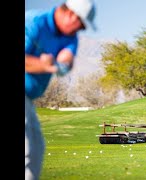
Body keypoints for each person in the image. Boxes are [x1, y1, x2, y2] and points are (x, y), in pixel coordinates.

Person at [25, 0, 96, 179]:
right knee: (27, 150)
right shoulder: (33, 23)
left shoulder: (70, 35)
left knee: (36, 150)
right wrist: (44, 65)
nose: (80, 30)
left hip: (28, 98)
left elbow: (67, 58)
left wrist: (61, 64)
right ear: (71, 15)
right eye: (81, 25)